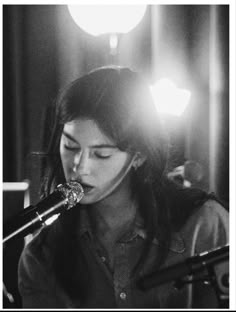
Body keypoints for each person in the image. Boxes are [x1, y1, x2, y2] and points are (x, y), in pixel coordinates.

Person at [18, 66, 229, 308]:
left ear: (139, 156)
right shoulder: (42, 256)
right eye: (71, 146)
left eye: (102, 154)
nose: (80, 167)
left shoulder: (205, 226)